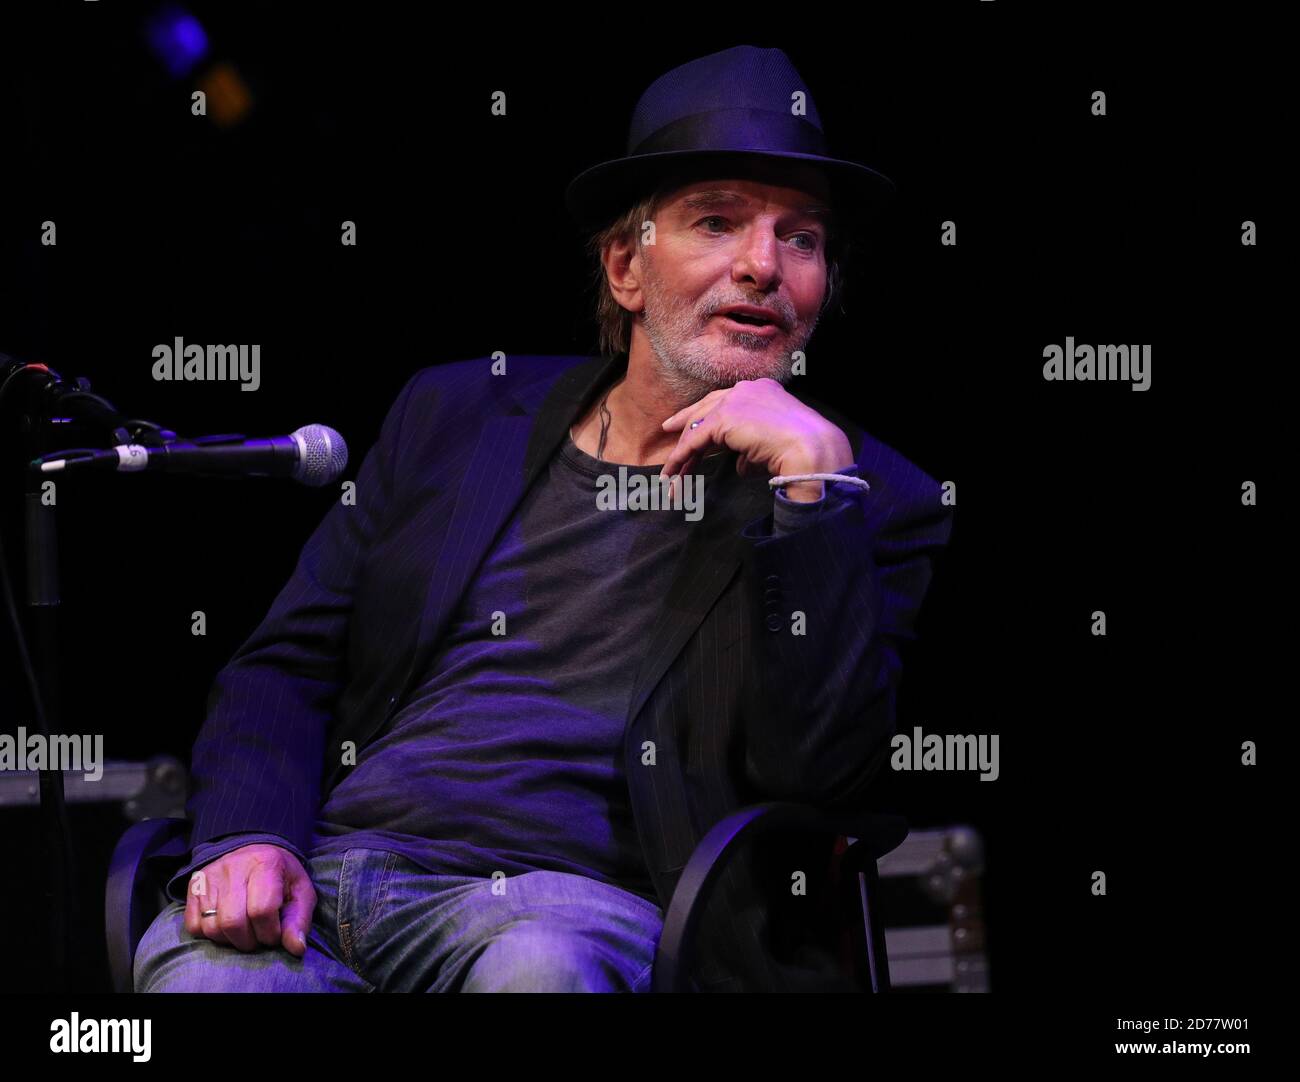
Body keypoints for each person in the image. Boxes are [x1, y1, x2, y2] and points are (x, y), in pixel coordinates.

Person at [134, 44, 953, 993]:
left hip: (564, 910)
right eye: (718, 222)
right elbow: (286, 662)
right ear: (625, 267)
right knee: (215, 984)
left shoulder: (872, 499)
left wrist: (812, 494)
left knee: (538, 970)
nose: (763, 265)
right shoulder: (454, 416)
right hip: (331, 881)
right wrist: (247, 835)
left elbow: (819, 783)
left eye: (802, 238)